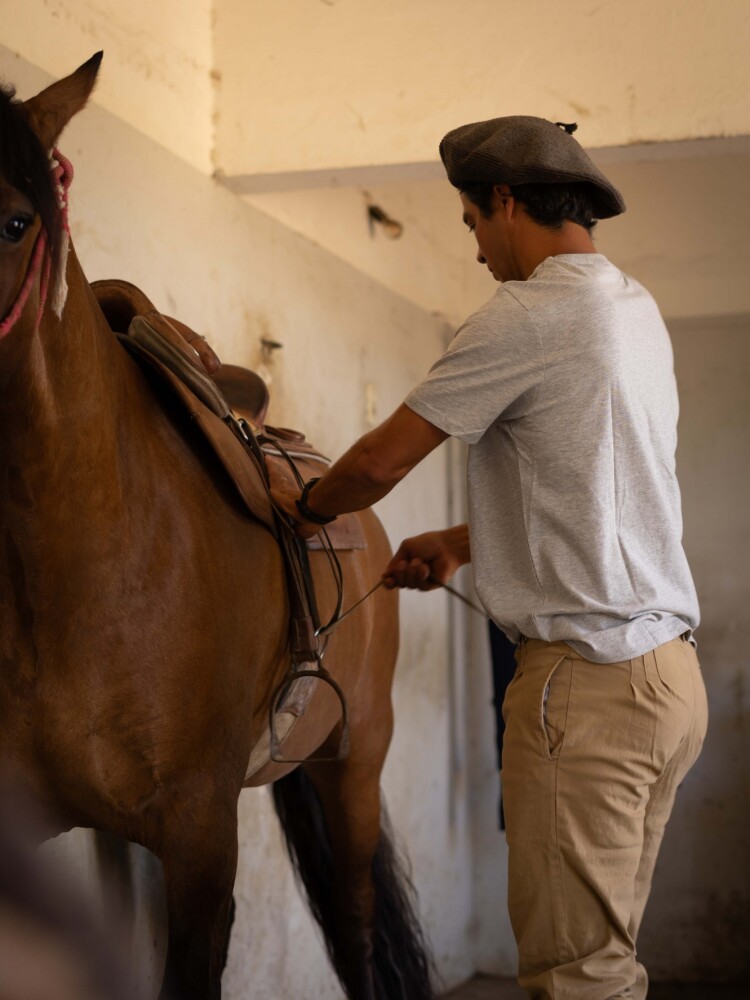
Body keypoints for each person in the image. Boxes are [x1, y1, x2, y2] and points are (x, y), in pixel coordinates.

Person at [271, 116, 707, 1000]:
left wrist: (294, 509)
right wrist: (465, 546)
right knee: (609, 963)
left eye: (471, 224)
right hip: (666, 684)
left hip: (587, 688)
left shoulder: (529, 312)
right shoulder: (632, 308)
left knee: (575, 979)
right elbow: (603, 488)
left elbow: (376, 465)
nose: (475, 253)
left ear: (504, 201)